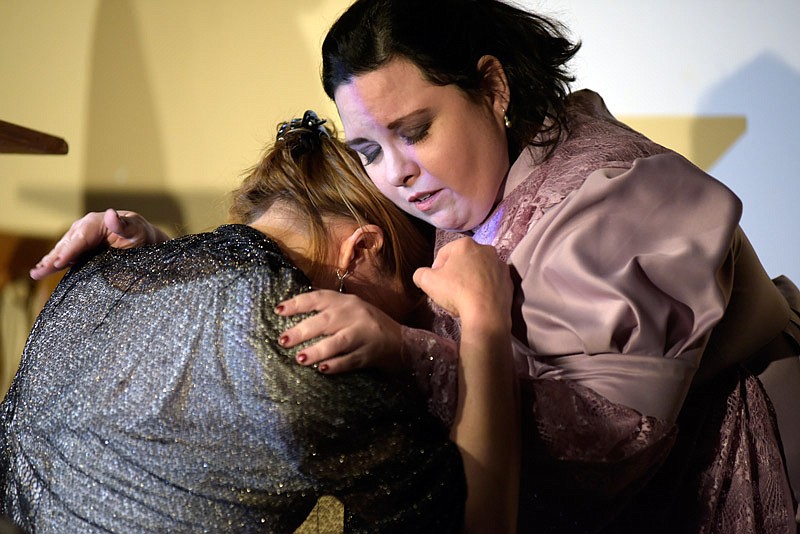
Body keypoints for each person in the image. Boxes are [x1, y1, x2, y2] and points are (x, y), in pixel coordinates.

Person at [28, 1, 799, 532]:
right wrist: (175, 259)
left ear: (493, 87)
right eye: (370, 149)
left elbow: (603, 450)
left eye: (416, 130)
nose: (397, 173)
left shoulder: (618, 194)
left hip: (747, 473)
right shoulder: (465, 194)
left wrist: (413, 349)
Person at [5, 112, 519, 532]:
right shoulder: (301, 346)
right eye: (403, 306)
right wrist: (484, 322)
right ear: (361, 249)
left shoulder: (98, 272)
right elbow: (479, 524)